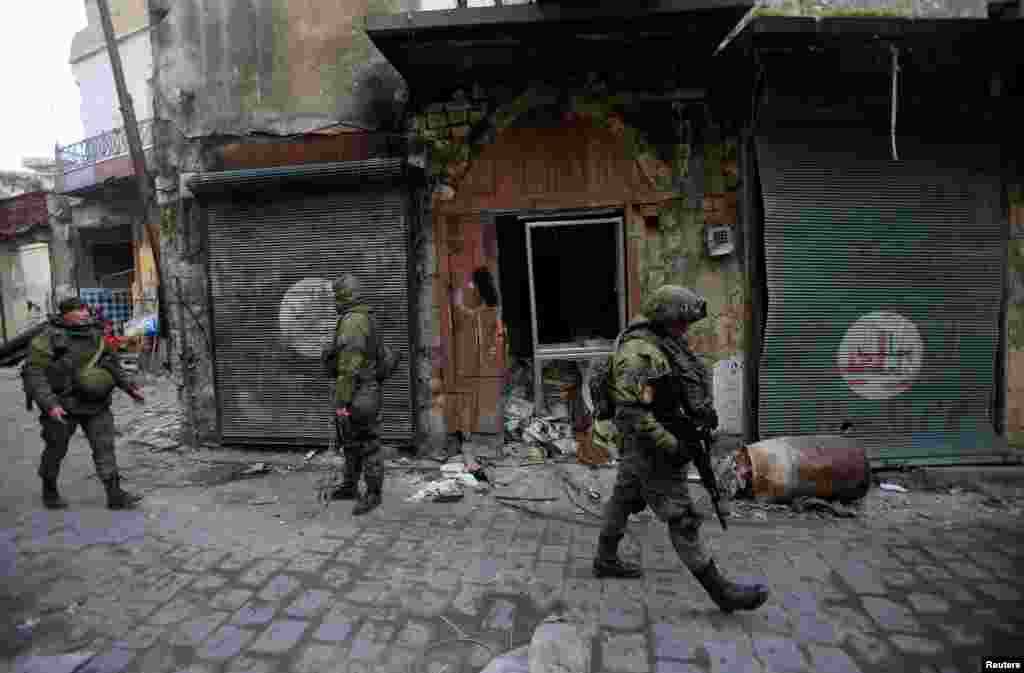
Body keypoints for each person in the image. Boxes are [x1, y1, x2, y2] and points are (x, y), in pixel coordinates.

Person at [593, 285, 769, 613]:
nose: (685, 329)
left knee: (623, 496)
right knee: (682, 517)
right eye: (681, 322)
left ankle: (605, 558)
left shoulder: (664, 342)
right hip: (652, 448)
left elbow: (665, 396)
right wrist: (672, 445)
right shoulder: (639, 354)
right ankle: (721, 592)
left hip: (647, 443)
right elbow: (632, 412)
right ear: (664, 318)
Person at [22, 297, 146, 510]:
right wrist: (50, 404)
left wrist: (129, 387)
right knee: (56, 448)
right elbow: (34, 373)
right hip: (62, 405)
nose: (84, 313)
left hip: (95, 403)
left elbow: (111, 364)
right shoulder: (48, 338)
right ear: (65, 314)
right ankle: (49, 488)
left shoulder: (96, 335)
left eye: (85, 309)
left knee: (105, 446)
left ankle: (115, 495)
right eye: (78, 310)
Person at [329, 273, 386, 515]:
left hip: (358, 391)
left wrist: (341, 401)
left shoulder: (353, 321)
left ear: (344, 296)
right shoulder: (366, 316)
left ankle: (372, 493)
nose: (334, 301)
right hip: (365, 388)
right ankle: (350, 485)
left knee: (366, 442)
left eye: (336, 296)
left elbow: (349, 366)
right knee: (350, 440)